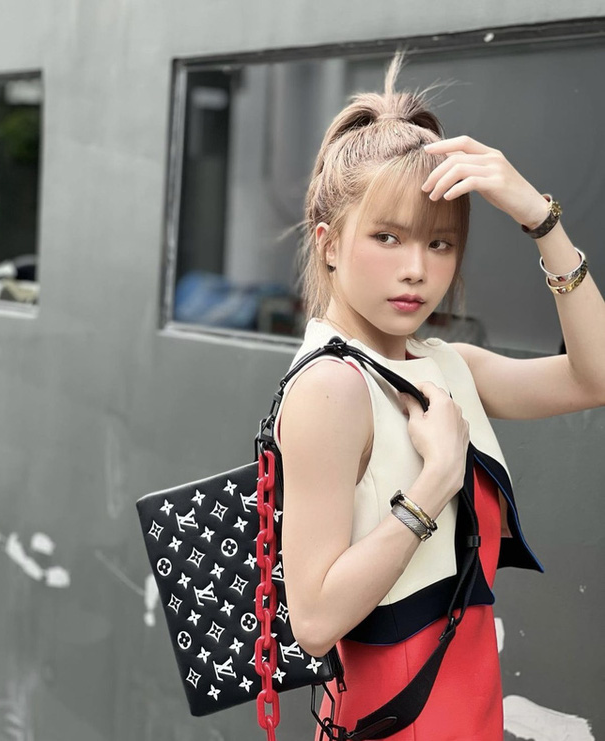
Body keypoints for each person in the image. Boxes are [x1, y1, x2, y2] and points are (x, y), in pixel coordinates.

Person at [272, 50, 605, 740]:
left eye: (441, 243)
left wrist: (542, 222)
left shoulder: (445, 364)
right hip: (394, 719)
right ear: (329, 244)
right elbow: (314, 621)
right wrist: (435, 483)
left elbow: (594, 377)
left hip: (467, 707)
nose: (417, 270)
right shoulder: (331, 386)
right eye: (387, 237)